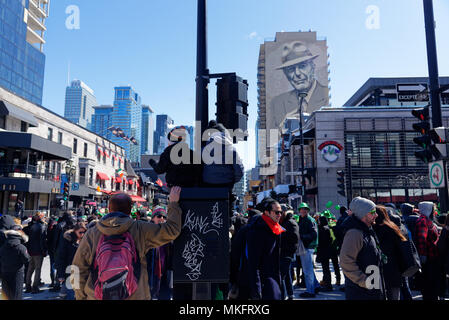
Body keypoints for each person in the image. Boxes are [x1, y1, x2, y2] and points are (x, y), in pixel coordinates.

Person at [72, 187, 182, 300]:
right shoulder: (140, 229)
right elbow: (172, 230)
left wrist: (81, 296)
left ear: (109, 209)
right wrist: (173, 204)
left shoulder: (92, 233)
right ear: (130, 210)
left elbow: (77, 268)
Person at [270, 40, 328, 131]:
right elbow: (272, 138)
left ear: (313, 67)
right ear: (285, 74)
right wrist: (283, 128)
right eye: (290, 69)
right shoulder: (277, 103)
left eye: (302, 66)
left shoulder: (324, 95)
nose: (297, 73)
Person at [339, 197, 385, 300]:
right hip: (361, 292)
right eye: (372, 212)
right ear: (362, 214)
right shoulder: (355, 233)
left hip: (371, 290)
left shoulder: (366, 229)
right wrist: (365, 282)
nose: (376, 215)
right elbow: (346, 261)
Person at [246, 198, 285, 300]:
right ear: (267, 212)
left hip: (274, 276)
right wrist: (257, 288)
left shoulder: (275, 228)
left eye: (281, 212)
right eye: (276, 212)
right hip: (264, 280)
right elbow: (253, 262)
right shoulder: (257, 230)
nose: (279, 215)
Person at [373, 205, 408, 300]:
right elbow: (400, 251)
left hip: (377, 270)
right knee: (394, 295)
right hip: (394, 269)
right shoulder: (393, 228)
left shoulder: (372, 230)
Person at [229, 208, 262, 300]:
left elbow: (235, 253)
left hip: (243, 271)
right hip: (257, 273)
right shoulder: (261, 230)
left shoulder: (244, 230)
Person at [415, 201, 441, 300]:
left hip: (431, 256)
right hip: (429, 258)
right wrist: (423, 256)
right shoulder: (423, 221)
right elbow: (421, 239)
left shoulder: (426, 219)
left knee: (431, 284)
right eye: (432, 209)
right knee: (429, 284)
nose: (434, 211)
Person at [146, 206, 173, 300]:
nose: (162, 218)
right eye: (159, 216)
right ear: (153, 218)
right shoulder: (147, 233)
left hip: (164, 275)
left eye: (164, 217)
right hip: (150, 275)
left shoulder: (168, 235)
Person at [55, 222, 87, 300]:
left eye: (84, 232)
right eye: (80, 232)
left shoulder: (83, 240)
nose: (82, 234)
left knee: (76, 294)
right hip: (70, 270)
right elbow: (60, 257)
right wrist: (61, 274)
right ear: (75, 231)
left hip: (81, 271)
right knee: (71, 294)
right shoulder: (67, 240)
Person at [0, 223, 30, 300]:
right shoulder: (21, 247)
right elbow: (26, 259)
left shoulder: (3, 246)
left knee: (6, 294)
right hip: (17, 273)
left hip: (5, 272)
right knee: (17, 294)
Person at [297, 202, 320, 298]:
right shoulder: (303, 219)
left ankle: (310, 291)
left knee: (307, 271)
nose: (303, 210)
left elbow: (314, 234)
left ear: (307, 210)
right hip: (306, 246)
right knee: (309, 269)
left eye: (305, 209)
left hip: (307, 247)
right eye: (301, 209)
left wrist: (301, 237)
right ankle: (316, 286)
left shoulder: (309, 220)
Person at [279, 204, 299, 300]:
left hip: (287, 254)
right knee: (286, 275)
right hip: (283, 253)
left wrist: (282, 237)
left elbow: (295, 239)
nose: (278, 214)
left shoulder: (291, 223)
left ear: (284, 212)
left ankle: (283, 296)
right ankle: (290, 294)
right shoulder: (283, 222)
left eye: (280, 212)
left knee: (281, 276)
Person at [25, 212, 47, 294]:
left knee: (30, 269)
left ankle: (28, 287)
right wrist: (44, 251)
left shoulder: (32, 226)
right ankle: (35, 287)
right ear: (41, 218)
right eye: (43, 217)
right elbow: (42, 240)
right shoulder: (41, 226)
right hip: (38, 251)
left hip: (31, 250)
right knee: (37, 269)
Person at [316, 215, 340, 292]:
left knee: (325, 269)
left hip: (323, 251)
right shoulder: (329, 228)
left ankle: (328, 285)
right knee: (328, 268)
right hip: (330, 250)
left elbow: (320, 242)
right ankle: (330, 283)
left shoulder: (322, 229)